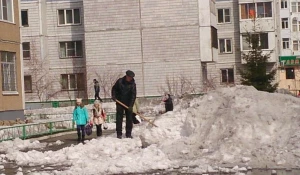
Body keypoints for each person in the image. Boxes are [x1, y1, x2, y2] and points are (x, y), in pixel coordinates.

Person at [111, 70, 137, 139]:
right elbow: (114, 89)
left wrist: (131, 105)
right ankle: (119, 133)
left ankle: (128, 133)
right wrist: (113, 96)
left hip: (128, 103)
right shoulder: (120, 81)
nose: (130, 79)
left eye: (131, 77)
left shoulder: (133, 84)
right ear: (126, 76)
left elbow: (133, 95)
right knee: (119, 118)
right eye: (129, 77)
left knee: (129, 118)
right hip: (119, 102)